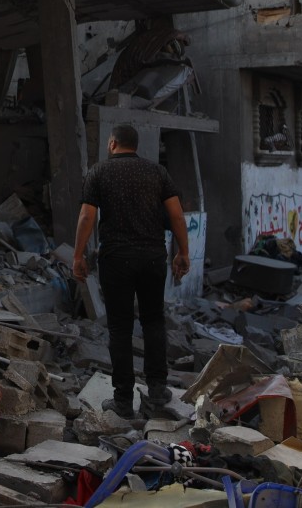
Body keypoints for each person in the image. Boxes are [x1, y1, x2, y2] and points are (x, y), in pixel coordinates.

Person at [72, 124, 189, 420]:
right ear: (136, 146)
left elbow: (87, 216)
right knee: (153, 322)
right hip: (152, 258)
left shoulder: (99, 172)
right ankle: (158, 391)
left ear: (112, 143)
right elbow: (176, 214)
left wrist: (78, 255)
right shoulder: (157, 172)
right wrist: (183, 252)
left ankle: (123, 400)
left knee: (120, 329)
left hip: (117, 259)